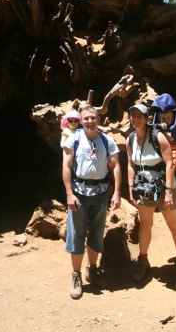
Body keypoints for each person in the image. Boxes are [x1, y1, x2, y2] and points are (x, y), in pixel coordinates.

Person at [125, 103, 176, 291]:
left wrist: (170, 191)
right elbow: (131, 165)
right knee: (145, 224)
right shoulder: (130, 139)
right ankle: (143, 260)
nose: (136, 119)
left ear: (147, 119)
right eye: (133, 115)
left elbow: (169, 164)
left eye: (140, 116)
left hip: (163, 187)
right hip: (144, 187)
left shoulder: (158, 136)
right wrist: (130, 188)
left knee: (174, 226)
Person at [62, 106, 122, 299]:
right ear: (81, 120)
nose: (89, 121)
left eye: (92, 118)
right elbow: (66, 166)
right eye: (86, 118)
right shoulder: (74, 139)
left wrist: (117, 193)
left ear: (98, 119)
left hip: (101, 193)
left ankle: (93, 270)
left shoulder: (106, 140)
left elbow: (117, 166)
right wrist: (69, 194)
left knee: (96, 234)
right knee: (77, 234)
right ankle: (76, 275)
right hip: (79, 193)